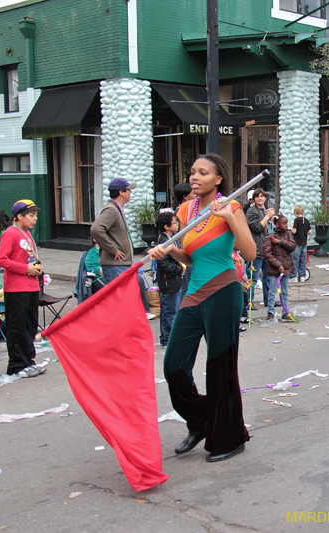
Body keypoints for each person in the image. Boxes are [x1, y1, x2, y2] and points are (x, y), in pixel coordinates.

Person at [146, 153, 255, 463]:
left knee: (220, 370)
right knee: (174, 367)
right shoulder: (186, 209)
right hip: (193, 294)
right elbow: (192, 257)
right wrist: (168, 250)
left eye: (202, 173)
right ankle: (203, 420)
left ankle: (230, 437)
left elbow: (249, 252)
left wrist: (230, 217)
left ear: (218, 179)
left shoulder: (230, 206)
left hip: (224, 291)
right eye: (192, 171)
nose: (194, 177)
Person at [91, 178, 155, 320]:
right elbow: (96, 229)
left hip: (121, 264)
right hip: (115, 264)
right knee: (120, 303)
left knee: (126, 301)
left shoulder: (116, 209)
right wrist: (113, 249)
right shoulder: (111, 209)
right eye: (128, 190)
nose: (130, 192)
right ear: (121, 192)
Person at [0, 200, 46, 378]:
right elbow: (1, 259)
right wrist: (26, 268)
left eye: (36, 215)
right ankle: (17, 365)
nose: (35, 219)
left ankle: (28, 361)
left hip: (31, 286)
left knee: (29, 327)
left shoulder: (26, 233)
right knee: (17, 328)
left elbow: (27, 257)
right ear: (19, 216)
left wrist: (36, 267)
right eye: (31, 215)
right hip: (16, 288)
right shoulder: (10, 233)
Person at [155, 212, 183, 348]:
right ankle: (167, 339)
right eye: (174, 223)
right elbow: (163, 263)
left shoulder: (171, 239)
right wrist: (178, 269)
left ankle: (168, 337)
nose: (177, 224)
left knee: (171, 309)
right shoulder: (164, 242)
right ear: (166, 226)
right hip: (168, 281)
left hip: (173, 280)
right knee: (169, 310)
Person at [263, 214, 296, 321]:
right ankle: (270, 312)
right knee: (272, 291)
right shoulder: (270, 237)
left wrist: (281, 242)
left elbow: (292, 246)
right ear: (277, 224)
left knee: (285, 292)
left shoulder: (288, 234)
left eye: (287, 223)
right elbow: (268, 254)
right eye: (284, 223)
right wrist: (278, 265)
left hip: (286, 267)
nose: (286, 225)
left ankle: (285, 312)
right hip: (275, 269)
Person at [245, 188, 274, 308]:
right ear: (254, 199)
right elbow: (256, 227)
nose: (260, 199)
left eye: (262, 196)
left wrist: (273, 218)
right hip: (256, 249)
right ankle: (248, 303)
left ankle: (268, 300)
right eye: (258, 197)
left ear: (265, 198)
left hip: (267, 249)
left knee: (267, 277)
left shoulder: (266, 210)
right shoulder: (252, 211)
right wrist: (267, 217)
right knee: (252, 277)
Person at [290, 205, 311, 283]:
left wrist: (292, 226)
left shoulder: (296, 220)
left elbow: (294, 231)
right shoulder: (306, 220)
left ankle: (293, 276)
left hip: (297, 243)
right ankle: (302, 276)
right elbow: (310, 231)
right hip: (304, 243)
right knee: (303, 260)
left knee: (295, 259)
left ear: (296, 212)